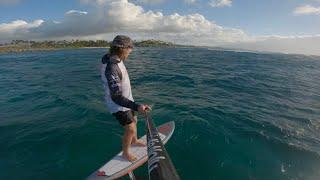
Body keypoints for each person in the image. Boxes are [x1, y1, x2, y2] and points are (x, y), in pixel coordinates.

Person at [100, 35, 151, 162]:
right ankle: (126, 153)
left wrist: (133, 105)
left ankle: (135, 140)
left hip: (127, 98)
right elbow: (116, 96)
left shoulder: (114, 58)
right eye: (129, 50)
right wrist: (137, 106)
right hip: (118, 104)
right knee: (130, 128)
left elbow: (107, 55)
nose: (130, 52)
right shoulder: (112, 68)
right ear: (122, 50)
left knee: (135, 119)